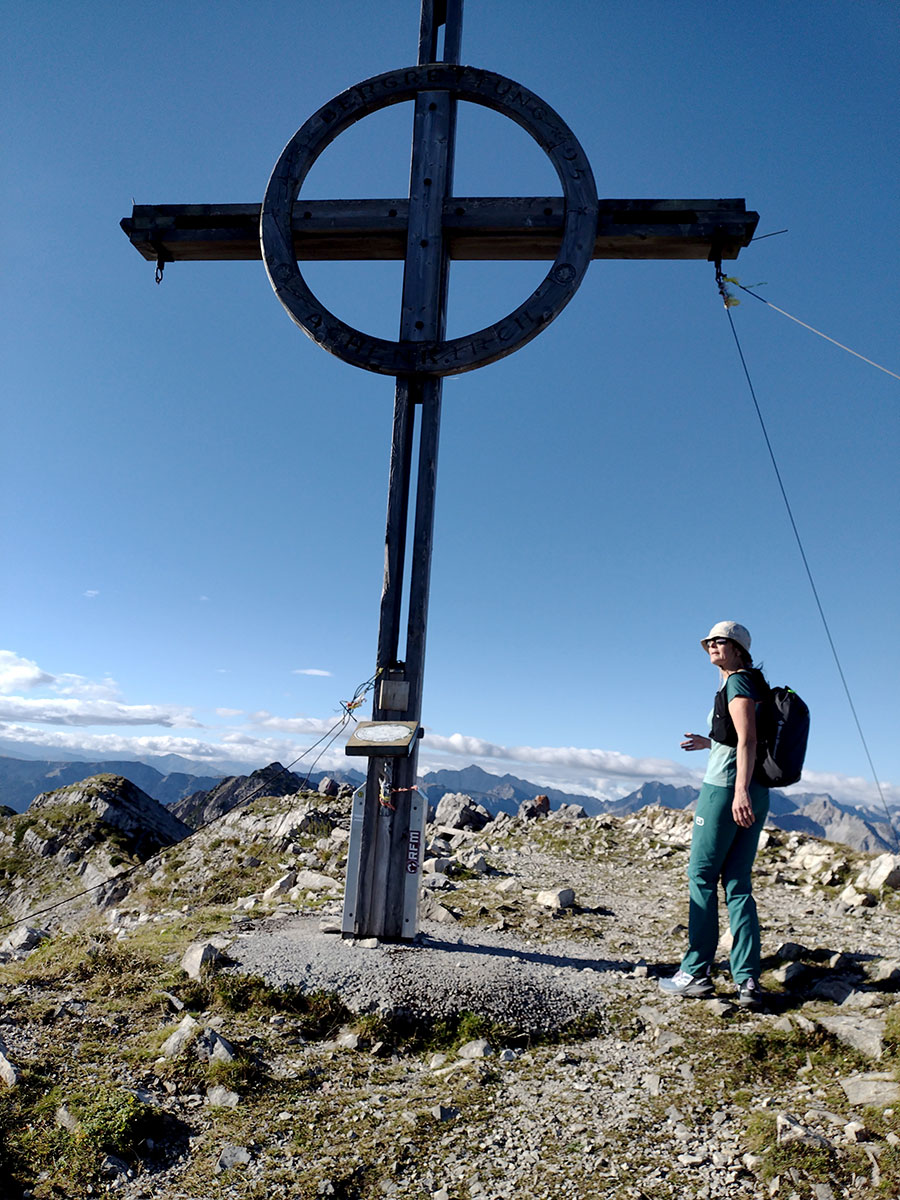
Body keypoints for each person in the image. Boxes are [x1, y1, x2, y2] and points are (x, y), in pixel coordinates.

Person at [659, 621, 771, 1008]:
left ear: (739, 648)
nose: (712, 646)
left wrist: (738, 791)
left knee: (702, 876)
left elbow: (749, 739)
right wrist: (712, 742)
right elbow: (741, 736)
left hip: (725, 792)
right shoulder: (753, 683)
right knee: (738, 882)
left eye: (720, 641)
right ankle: (747, 981)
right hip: (756, 790)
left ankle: (696, 972)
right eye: (709, 641)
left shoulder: (737, 682)